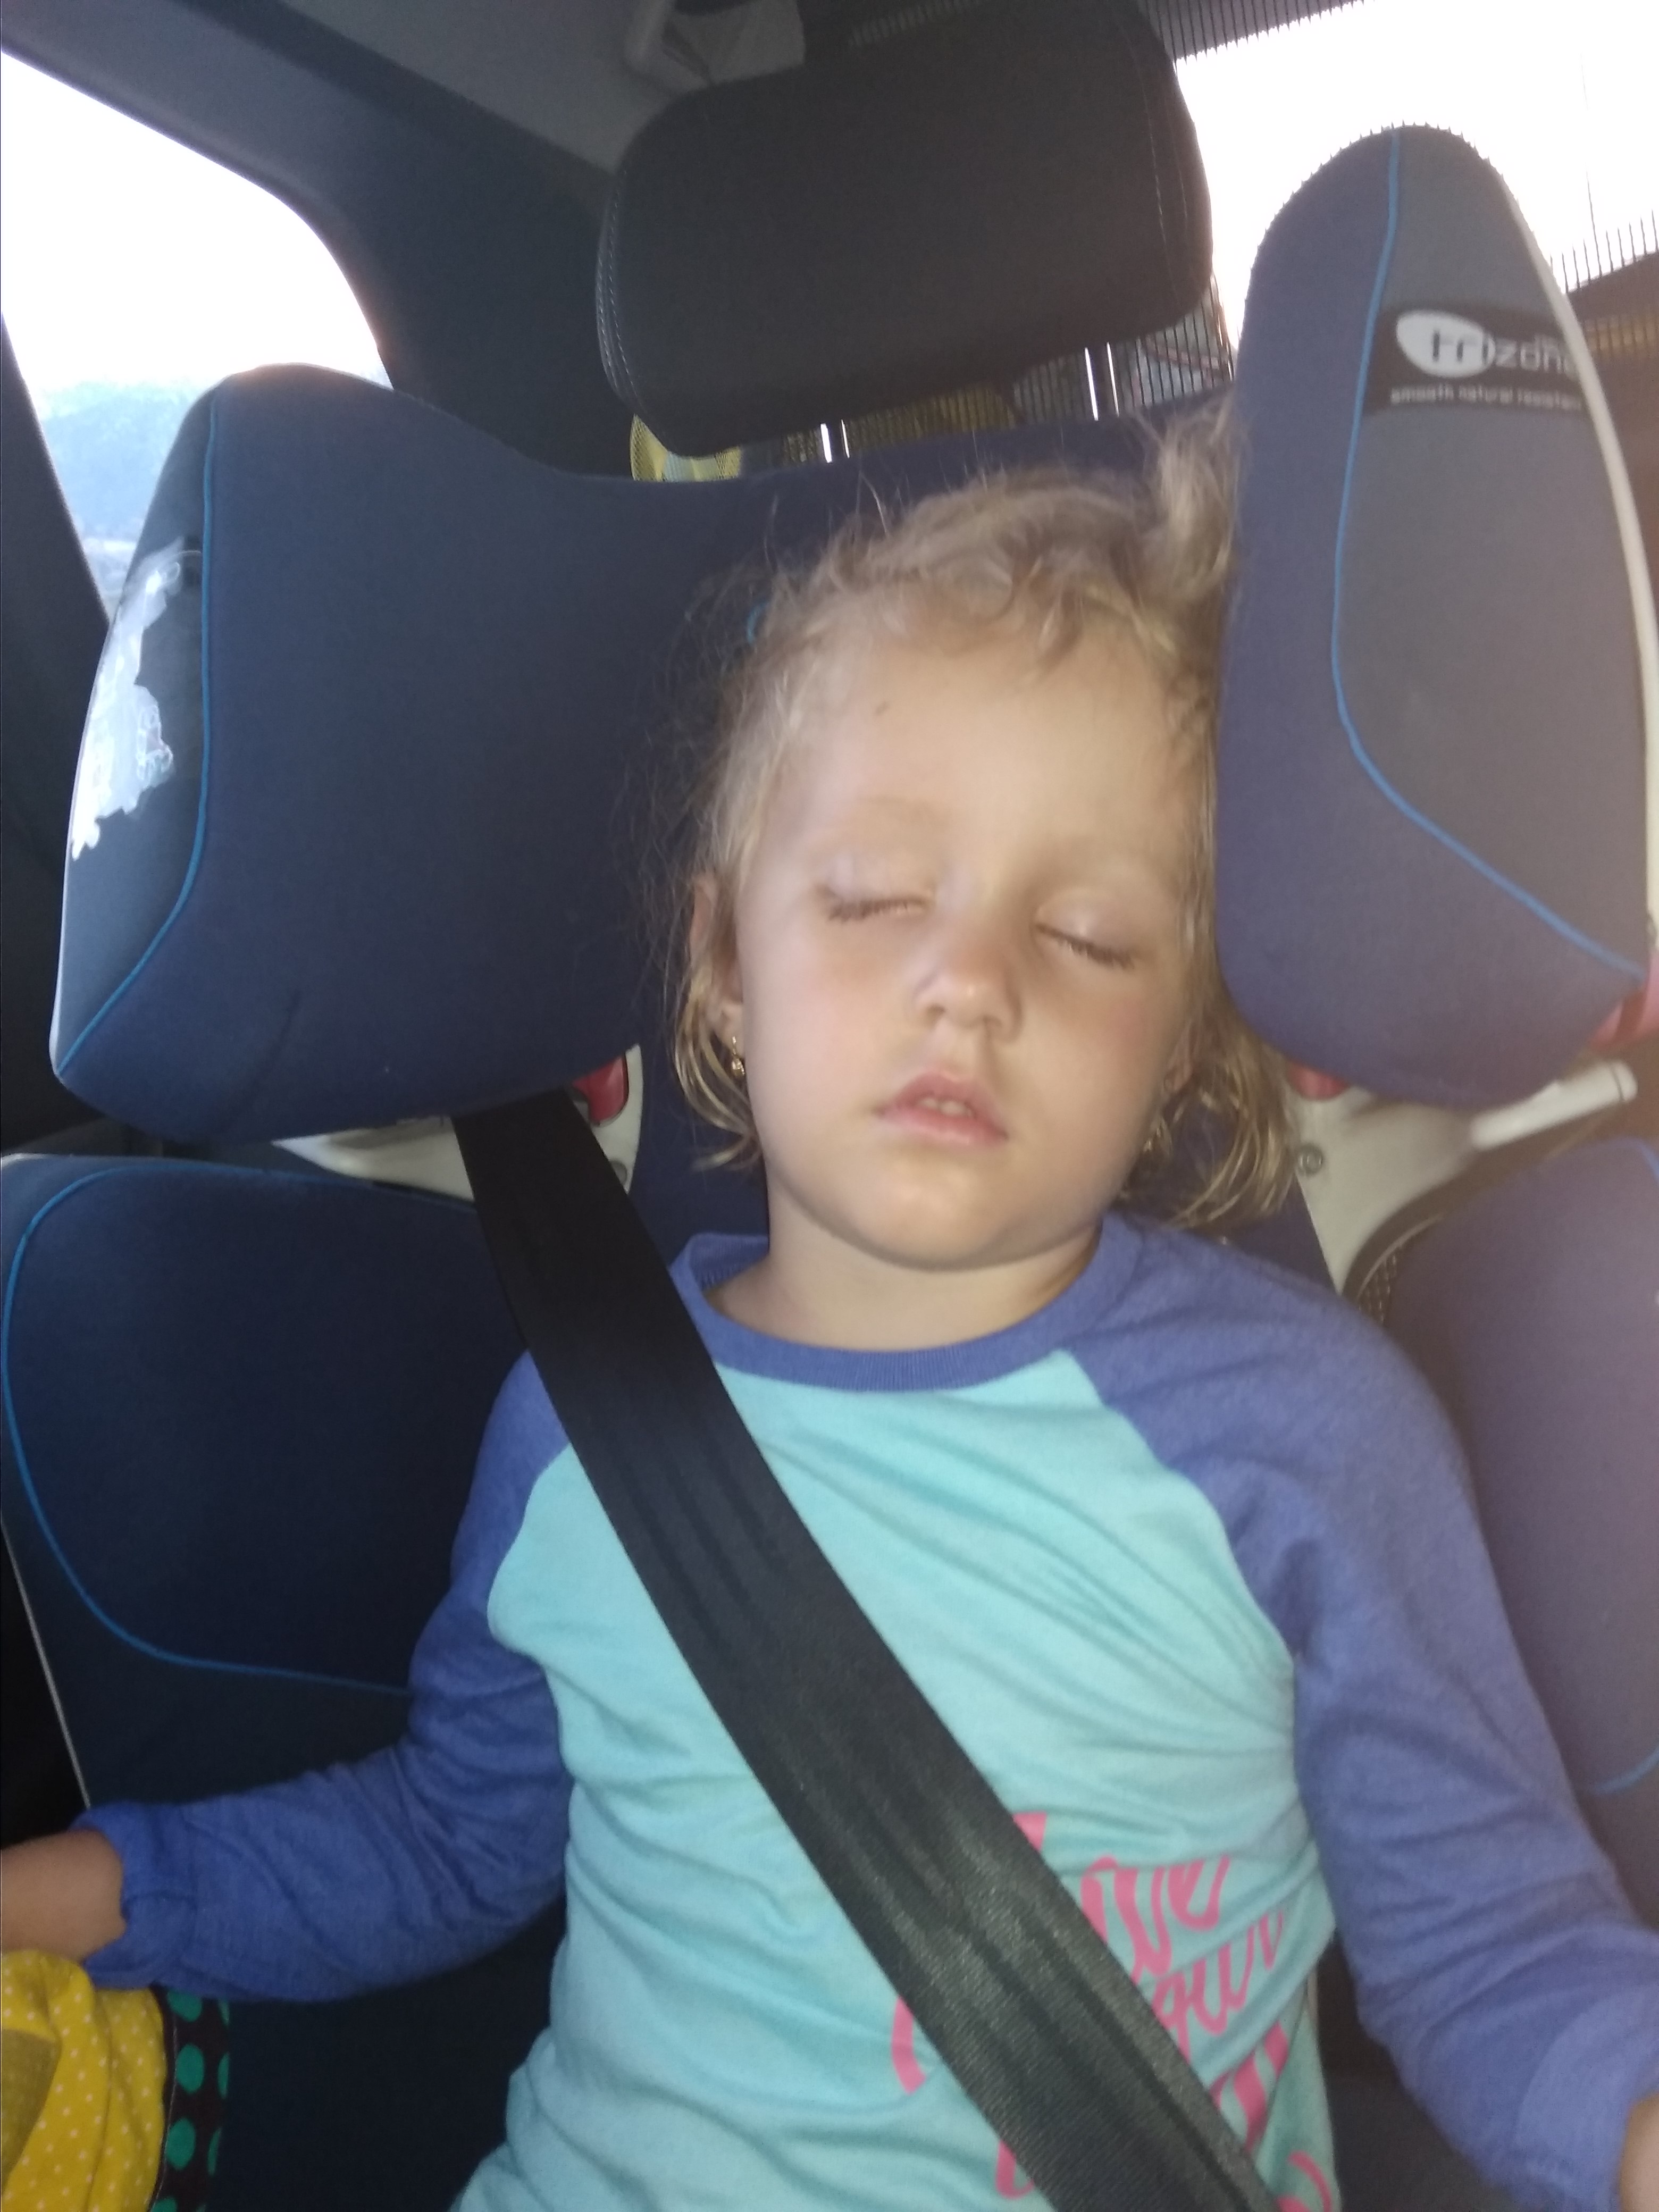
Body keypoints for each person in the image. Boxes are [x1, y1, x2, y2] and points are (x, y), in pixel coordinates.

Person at [3, 418, 1656, 2212]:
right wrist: (79, 1895)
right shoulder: (582, 1432)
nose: (968, 982)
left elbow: (1490, 1953)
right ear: (725, 960)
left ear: (1184, 1038)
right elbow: (450, 1836)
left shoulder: (1307, 1438)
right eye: (872, 896)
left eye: (1091, 935)